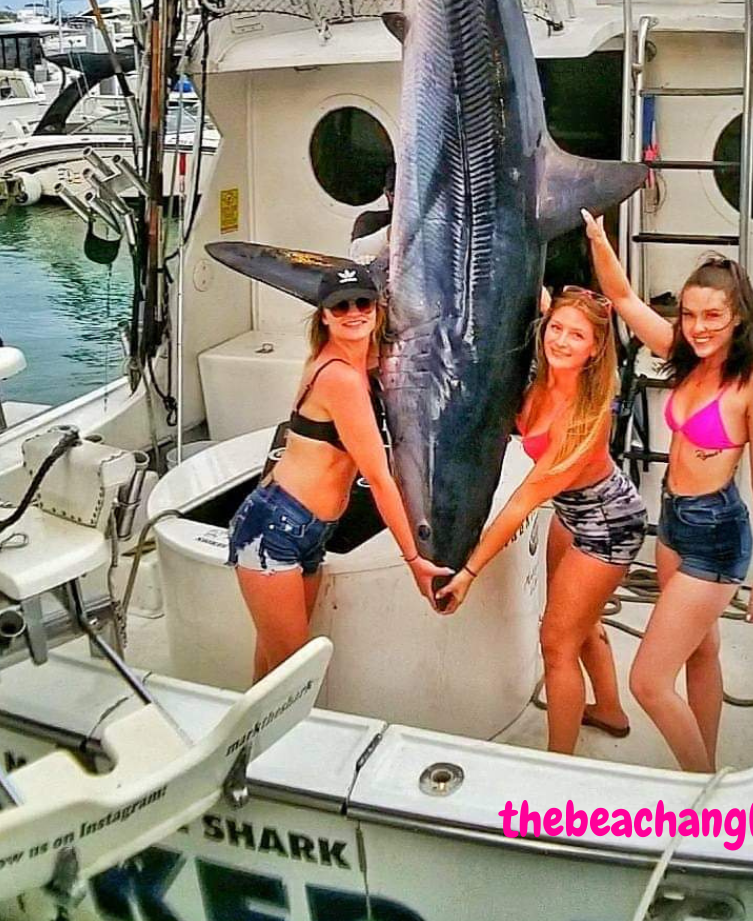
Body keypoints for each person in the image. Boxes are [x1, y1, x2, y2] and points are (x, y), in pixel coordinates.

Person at [582, 209, 753, 772]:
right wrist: (598, 237)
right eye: (690, 314)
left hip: (716, 535)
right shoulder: (682, 355)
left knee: (648, 681)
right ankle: (709, 759)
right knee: (703, 648)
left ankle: (703, 795)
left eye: (713, 316)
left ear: (739, 316)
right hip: (673, 523)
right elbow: (621, 298)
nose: (698, 327)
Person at [438, 287, 647, 754]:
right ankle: (610, 711)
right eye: (557, 329)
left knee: (556, 643)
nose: (563, 341)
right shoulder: (538, 379)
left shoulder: (583, 415)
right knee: (579, 622)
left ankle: (558, 765)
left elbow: (522, 501)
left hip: (608, 523)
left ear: (595, 348)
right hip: (572, 512)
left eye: (578, 335)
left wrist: (468, 573)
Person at [227, 262, 448, 679]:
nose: (353, 313)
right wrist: (414, 559)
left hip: (310, 530)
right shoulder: (340, 378)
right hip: (273, 528)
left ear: (377, 309)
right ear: (324, 315)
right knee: (292, 676)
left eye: (362, 303)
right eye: (340, 306)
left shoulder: (355, 364)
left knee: (274, 664)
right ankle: (280, 741)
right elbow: (380, 479)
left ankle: (258, 742)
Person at [350, 162, 394, 263]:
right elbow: (356, 252)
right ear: (386, 193)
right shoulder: (371, 220)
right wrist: (390, 233)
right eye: (394, 194)